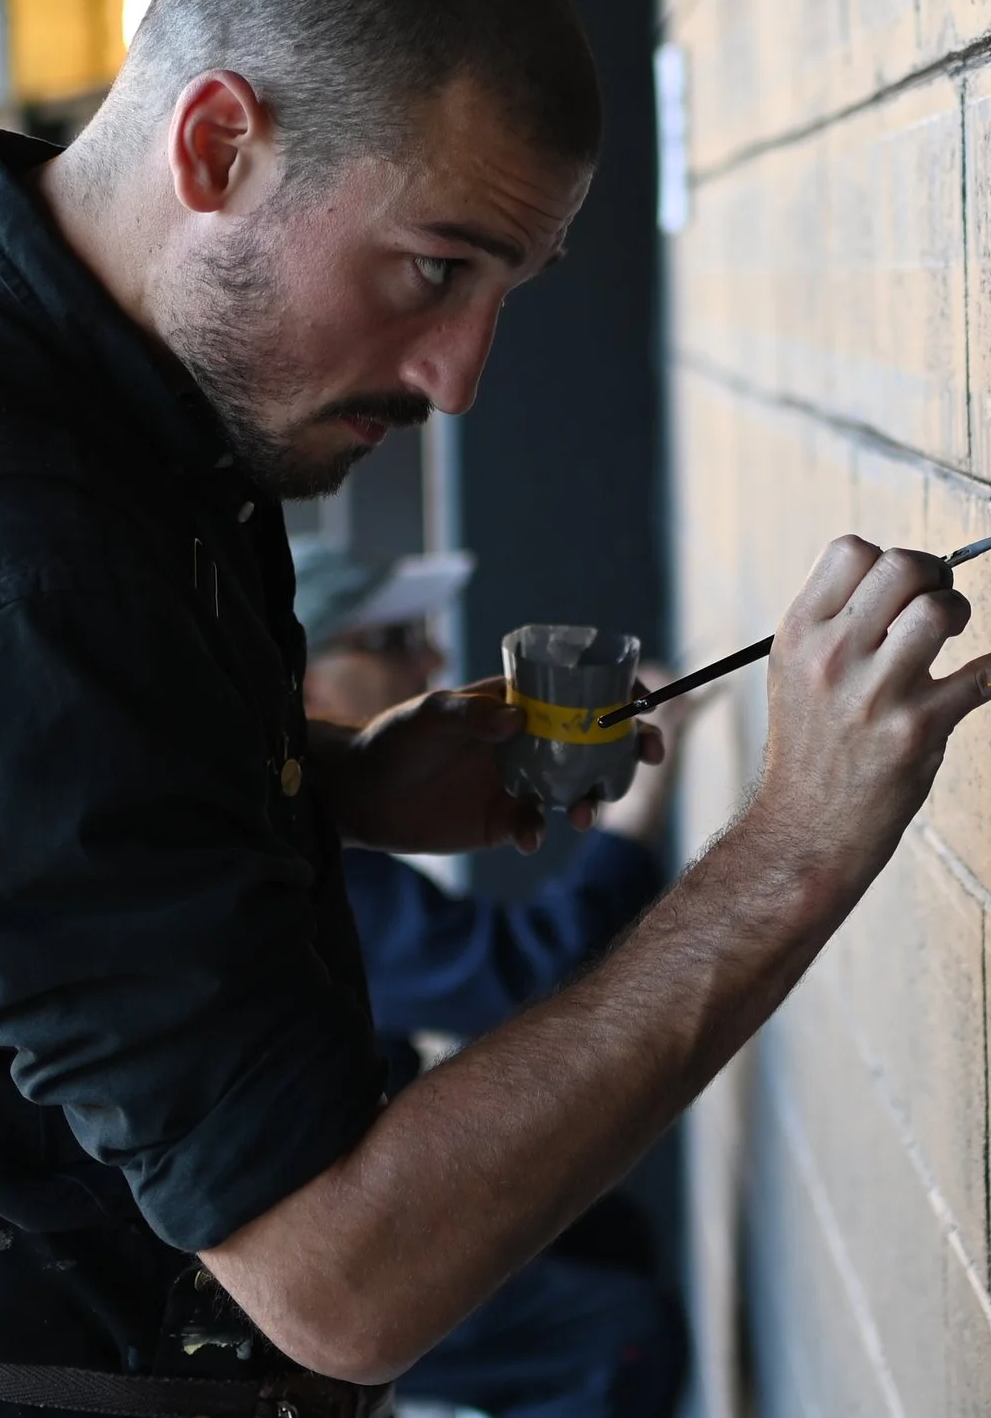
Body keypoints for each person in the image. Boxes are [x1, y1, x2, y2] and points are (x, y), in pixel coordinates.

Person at [0, 0, 991, 1418]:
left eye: (506, 289)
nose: (460, 375)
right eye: (433, 267)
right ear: (215, 145)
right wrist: (796, 841)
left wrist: (327, 779)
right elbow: (347, 1277)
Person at [292, 539, 689, 1418]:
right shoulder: (313, 874)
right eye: (393, 639)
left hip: (345, 1233)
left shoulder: (329, 838)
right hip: (299, 1278)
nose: (432, 659)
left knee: (607, 1238)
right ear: (311, 689)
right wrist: (632, 821)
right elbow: (526, 977)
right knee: (613, 1339)